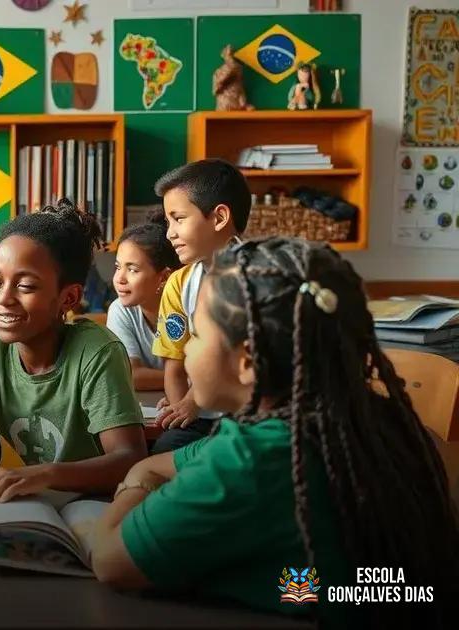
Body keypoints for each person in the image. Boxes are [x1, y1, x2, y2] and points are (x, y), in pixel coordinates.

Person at [90, 237, 459, 627]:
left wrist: (134, 487)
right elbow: (161, 466)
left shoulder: (253, 457)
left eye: (194, 335)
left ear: (247, 360)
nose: (185, 352)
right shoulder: (369, 417)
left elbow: (110, 561)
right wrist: (144, 474)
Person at [0, 200, 147, 502]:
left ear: (69, 298)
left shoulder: (97, 352)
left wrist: (45, 474)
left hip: (84, 502)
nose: (3, 298)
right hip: (16, 503)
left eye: (26, 286)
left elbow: (129, 459)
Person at [151, 159, 250, 453]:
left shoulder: (260, 280)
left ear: (219, 217)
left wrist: (194, 401)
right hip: (204, 420)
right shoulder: (179, 284)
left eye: (179, 219)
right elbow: (175, 364)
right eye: (168, 222)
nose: (169, 233)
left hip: (252, 418)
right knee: (165, 449)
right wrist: (182, 410)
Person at [108, 210, 181, 391]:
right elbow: (129, 375)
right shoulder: (120, 310)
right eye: (118, 267)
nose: (119, 278)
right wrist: (184, 380)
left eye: (132, 269)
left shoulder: (187, 307)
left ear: (164, 277)